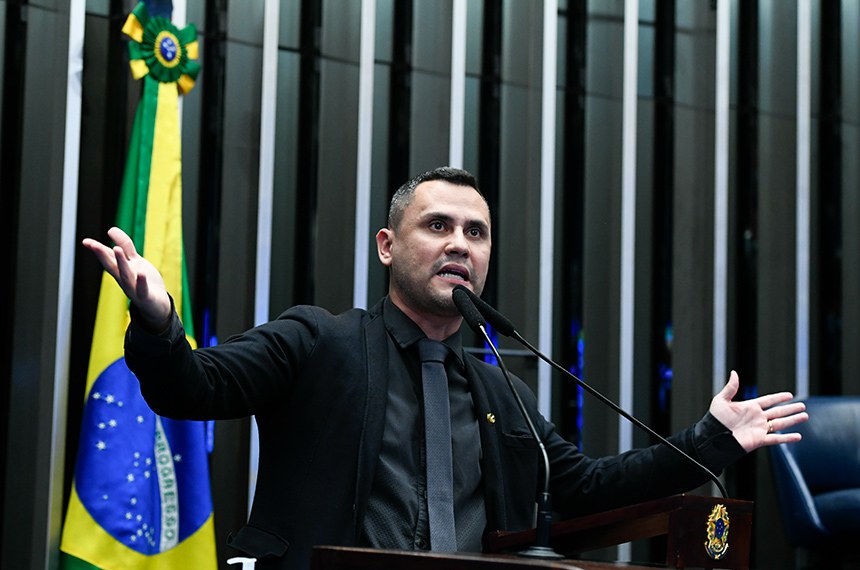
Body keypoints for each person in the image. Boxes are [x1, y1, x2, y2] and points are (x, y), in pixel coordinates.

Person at [83, 166, 808, 570]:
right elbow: (192, 387)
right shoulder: (317, 340)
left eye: (476, 232)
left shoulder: (500, 390)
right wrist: (159, 321)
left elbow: (586, 488)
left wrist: (711, 438)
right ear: (387, 246)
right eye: (438, 225)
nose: (460, 243)